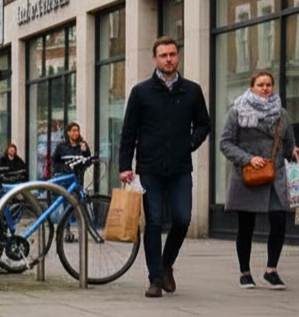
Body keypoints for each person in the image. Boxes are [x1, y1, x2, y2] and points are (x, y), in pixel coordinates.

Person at [119, 36, 211, 298]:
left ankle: (166, 263)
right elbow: (128, 132)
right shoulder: (141, 92)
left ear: (177, 57)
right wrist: (125, 166)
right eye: (163, 55)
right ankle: (155, 279)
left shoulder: (191, 90)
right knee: (154, 222)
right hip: (150, 168)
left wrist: (189, 144)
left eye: (172, 54)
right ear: (155, 59)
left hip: (180, 168)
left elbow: (204, 124)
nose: (168, 59)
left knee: (182, 218)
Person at [219, 70, 299, 290]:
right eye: (261, 85)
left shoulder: (281, 113)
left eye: (268, 85)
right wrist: (248, 159)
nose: (265, 89)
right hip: (248, 175)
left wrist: (293, 151)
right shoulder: (237, 110)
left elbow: (288, 143)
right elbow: (225, 143)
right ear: (252, 87)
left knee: (279, 220)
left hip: (275, 175)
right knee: (246, 225)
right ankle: (245, 273)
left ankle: (271, 270)